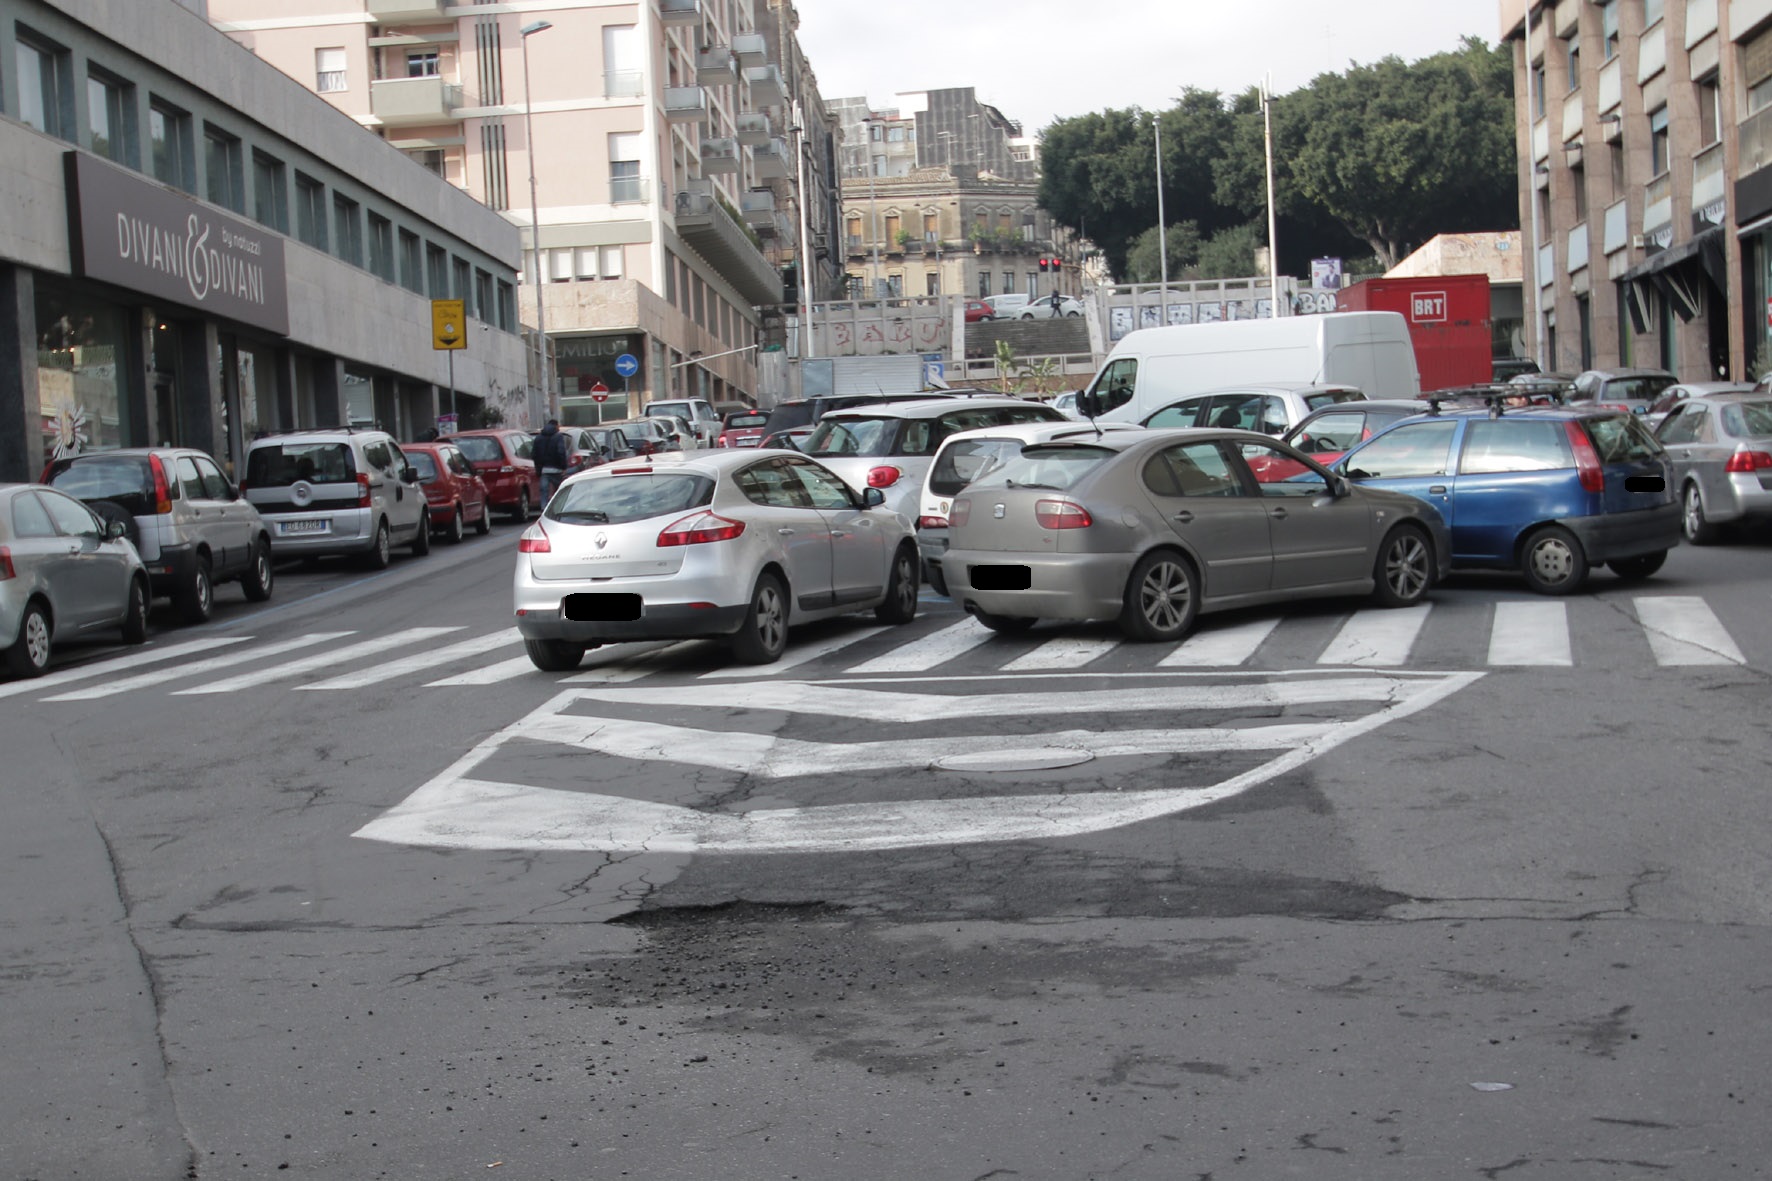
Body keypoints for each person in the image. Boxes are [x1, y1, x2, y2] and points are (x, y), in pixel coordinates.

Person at [533, 419, 569, 506]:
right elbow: (561, 452)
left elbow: (534, 455)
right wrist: (563, 467)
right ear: (556, 426)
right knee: (559, 491)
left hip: (544, 470)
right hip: (557, 469)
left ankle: (543, 508)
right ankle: (558, 508)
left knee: (544, 491)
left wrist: (538, 470)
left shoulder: (538, 438)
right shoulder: (558, 437)